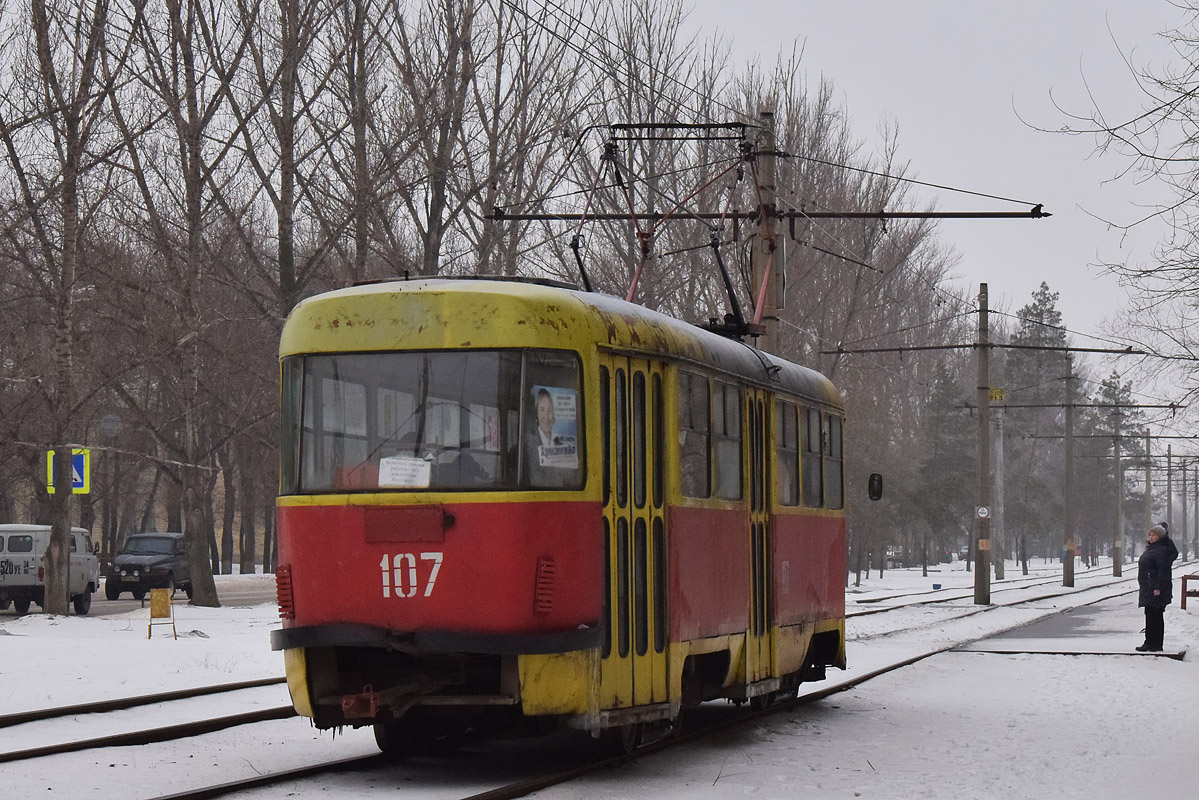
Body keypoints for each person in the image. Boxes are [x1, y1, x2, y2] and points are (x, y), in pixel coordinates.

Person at [1136, 521, 1179, 652]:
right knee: (1151, 614)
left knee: (1155, 615)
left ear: (1160, 537)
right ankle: (1152, 642)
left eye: (1154, 535)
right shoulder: (1153, 549)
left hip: (1155, 588)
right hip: (1149, 587)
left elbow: (1163, 571)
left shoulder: (1161, 550)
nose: (1151, 537)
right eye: (1150, 535)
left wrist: (1158, 587)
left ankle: (1153, 643)